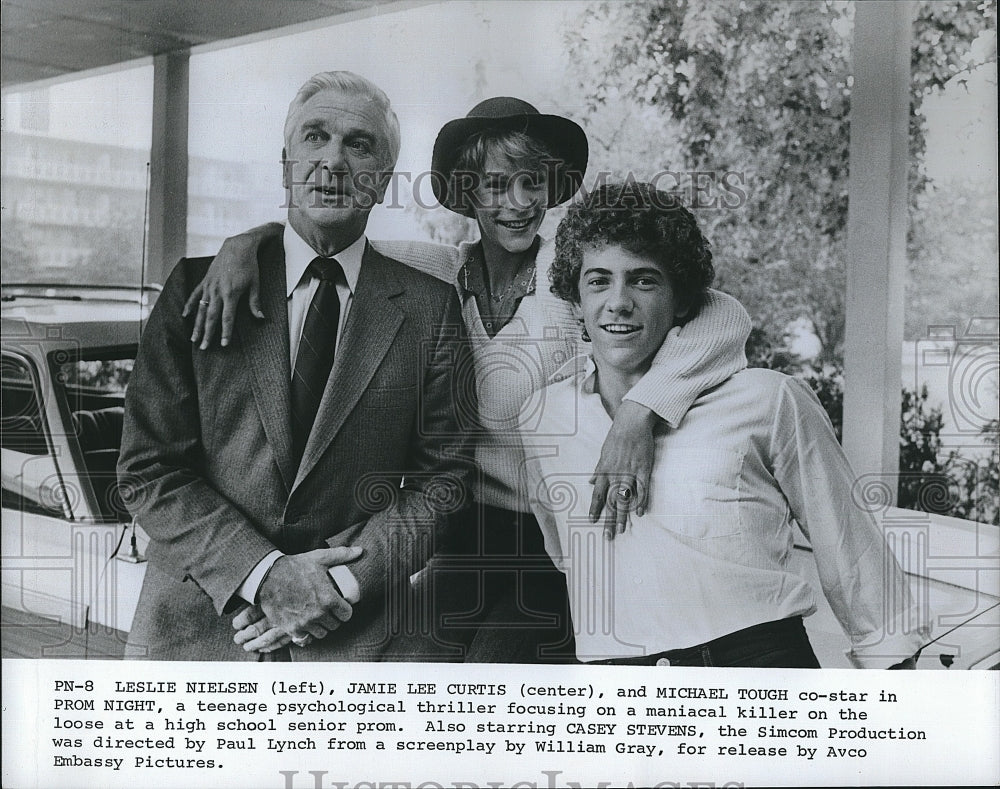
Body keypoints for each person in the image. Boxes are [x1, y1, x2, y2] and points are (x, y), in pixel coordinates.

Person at [188, 99, 752, 662]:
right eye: (496, 185)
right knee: (407, 663)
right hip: (459, 533)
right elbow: (326, 243)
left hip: (562, 536)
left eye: (533, 182)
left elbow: (723, 314)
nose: (519, 203)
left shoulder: (576, 281)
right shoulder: (432, 274)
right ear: (466, 192)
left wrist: (637, 415)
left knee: (491, 667)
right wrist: (251, 241)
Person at [117, 71, 476, 661]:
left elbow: (444, 481)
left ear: (383, 179)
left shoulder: (431, 307)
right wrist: (264, 575)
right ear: (286, 162)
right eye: (316, 137)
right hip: (200, 633)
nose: (333, 162)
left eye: (359, 145)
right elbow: (147, 469)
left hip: (355, 634)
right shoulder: (198, 288)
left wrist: (335, 585)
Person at [521, 182, 929, 669]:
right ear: (576, 300)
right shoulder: (544, 417)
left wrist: (896, 685)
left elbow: (850, 547)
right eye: (599, 281)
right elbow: (565, 553)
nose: (619, 302)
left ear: (684, 302)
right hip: (619, 685)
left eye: (644, 280)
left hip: (757, 661)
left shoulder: (766, 398)